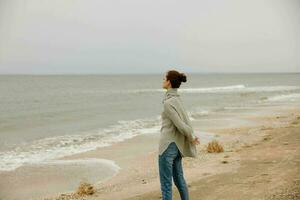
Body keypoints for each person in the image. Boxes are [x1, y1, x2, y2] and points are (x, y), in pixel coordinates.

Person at [159, 70, 200, 200]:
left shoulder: (168, 103)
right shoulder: (177, 99)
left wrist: (191, 137)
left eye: (164, 79)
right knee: (179, 180)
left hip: (167, 146)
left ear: (169, 82)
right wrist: (190, 136)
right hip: (177, 147)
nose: (163, 81)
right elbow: (185, 120)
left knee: (166, 184)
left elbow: (180, 125)